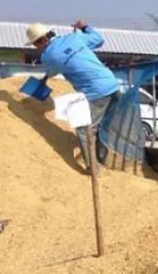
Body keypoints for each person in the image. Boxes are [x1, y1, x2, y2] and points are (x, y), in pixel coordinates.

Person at [25, 21, 120, 173]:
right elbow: (99, 39)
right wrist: (84, 27)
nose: (37, 48)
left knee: (84, 129)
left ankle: (93, 169)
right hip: (112, 85)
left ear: (42, 40)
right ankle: (101, 161)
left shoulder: (48, 56)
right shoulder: (75, 38)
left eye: (36, 45)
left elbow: (53, 71)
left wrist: (43, 80)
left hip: (96, 92)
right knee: (103, 127)